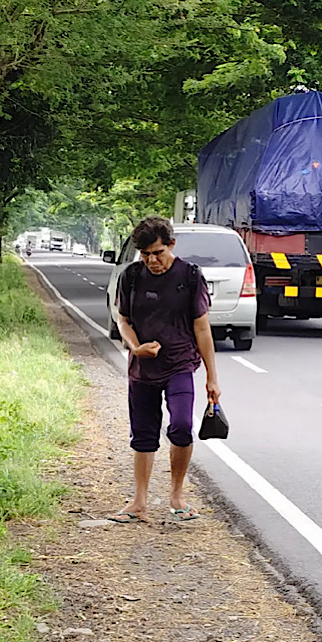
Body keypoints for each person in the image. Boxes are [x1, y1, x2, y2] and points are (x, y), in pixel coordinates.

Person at [109, 216, 220, 524]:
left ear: (171, 245)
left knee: (182, 426)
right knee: (143, 434)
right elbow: (123, 320)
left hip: (180, 364)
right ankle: (140, 502)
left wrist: (212, 376)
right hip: (142, 368)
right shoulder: (131, 277)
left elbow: (202, 329)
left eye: (157, 253)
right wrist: (135, 348)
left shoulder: (190, 276)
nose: (152, 261)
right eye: (145, 255)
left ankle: (177, 496)